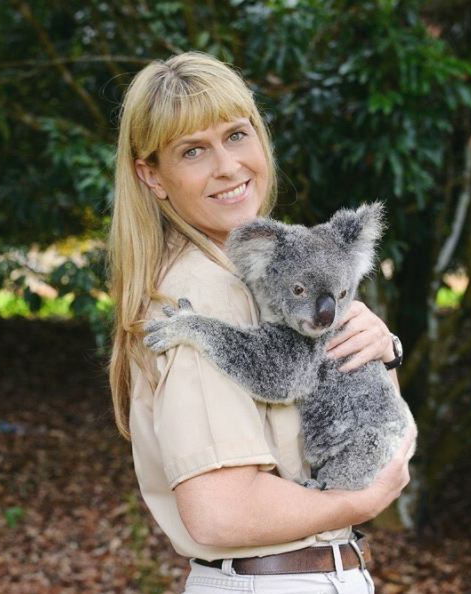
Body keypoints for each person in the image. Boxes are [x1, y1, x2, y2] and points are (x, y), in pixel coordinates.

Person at [108, 51, 413, 594]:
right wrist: (360, 502)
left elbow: (374, 433)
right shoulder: (205, 295)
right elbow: (220, 511)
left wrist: (379, 349)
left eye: (237, 134)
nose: (227, 166)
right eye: (193, 150)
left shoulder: (258, 274)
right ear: (152, 176)